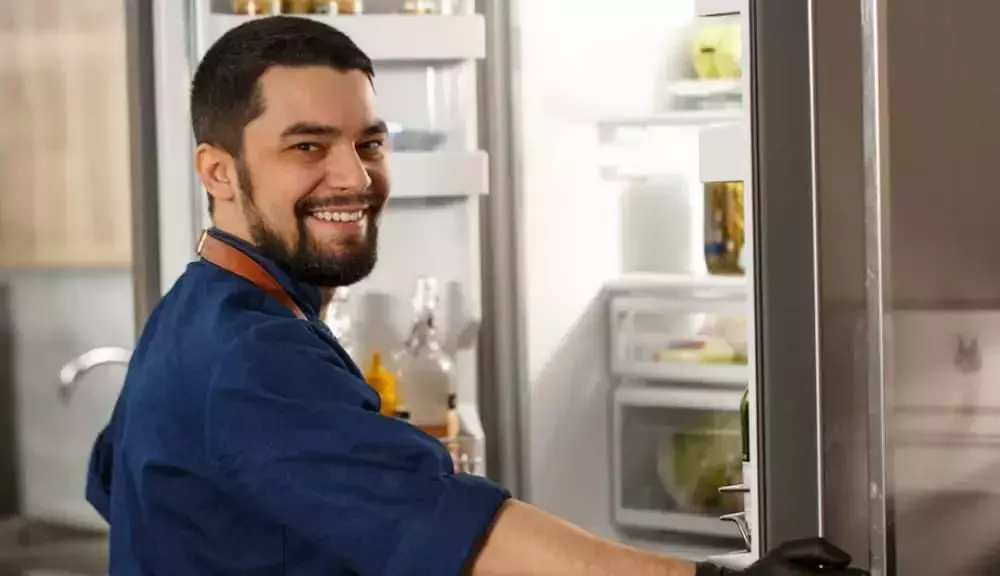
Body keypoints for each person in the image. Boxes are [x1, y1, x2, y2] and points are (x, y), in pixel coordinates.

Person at [85, 16, 867, 576]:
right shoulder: (252, 353)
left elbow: (114, 484)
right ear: (218, 171)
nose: (355, 177)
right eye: (307, 147)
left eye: (369, 143)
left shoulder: (196, 311)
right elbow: (462, 538)